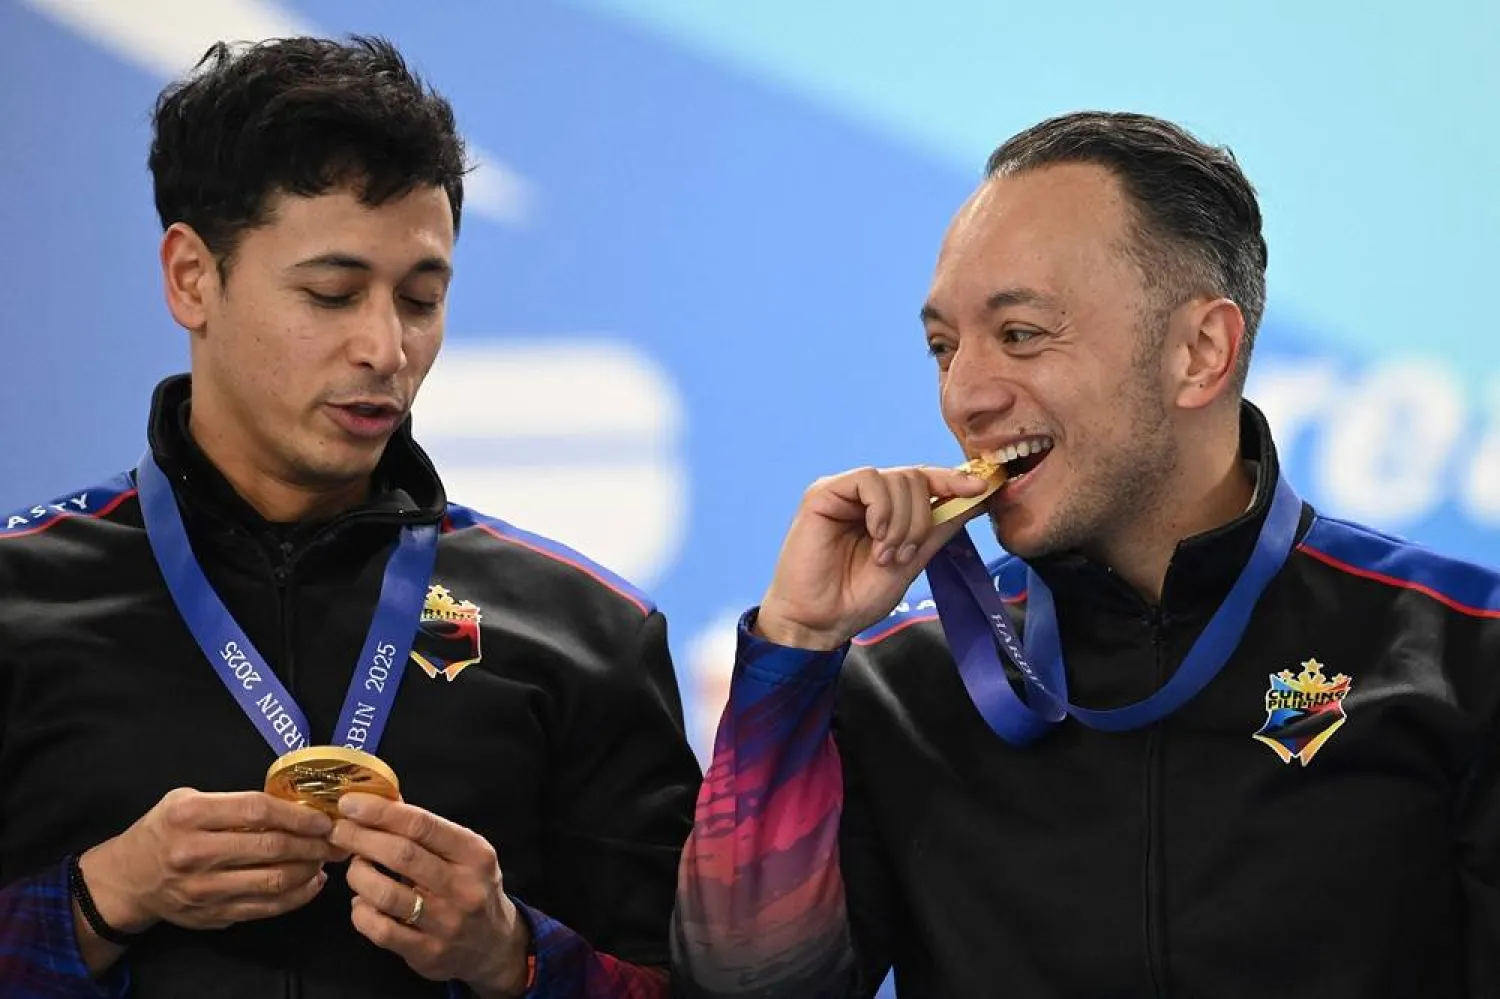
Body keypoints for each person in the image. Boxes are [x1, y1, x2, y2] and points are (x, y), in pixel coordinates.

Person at [671, 111, 1500, 998]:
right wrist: (795, 644)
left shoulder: (1460, 651)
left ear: (1199, 352)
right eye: (943, 348)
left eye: (1021, 333)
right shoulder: (901, 685)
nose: (965, 396)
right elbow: (746, 988)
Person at [0, 35, 701, 999]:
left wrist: (512, 957)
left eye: (421, 298)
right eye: (332, 294)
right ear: (191, 278)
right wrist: (96, 900)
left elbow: (696, 984)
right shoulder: (17, 601)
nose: (386, 347)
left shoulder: (586, 632)